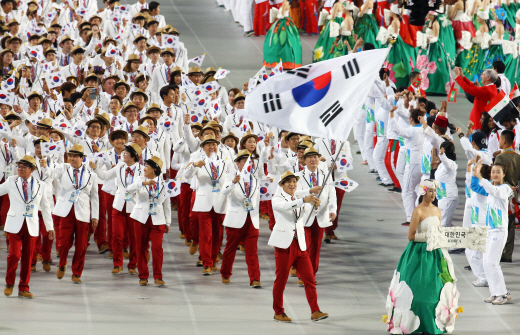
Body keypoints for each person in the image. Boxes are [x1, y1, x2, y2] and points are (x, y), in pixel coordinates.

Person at [385, 179, 460, 333]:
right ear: (423, 192)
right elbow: (411, 236)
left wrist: (439, 239)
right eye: (430, 191)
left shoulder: (437, 210)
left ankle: (433, 323)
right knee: (415, 290)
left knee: (436, 291)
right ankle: (411, 323)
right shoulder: (418, 211)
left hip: (436, 254)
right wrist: (429, 237)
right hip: (418, 254)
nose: (433, 194)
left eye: (434, 191)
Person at [269, 171, 328, 322]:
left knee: (309, 279)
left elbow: (304, 210)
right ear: (281, 185)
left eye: (294, 181)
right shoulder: (276, 199)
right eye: (288, 182)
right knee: (281, 281)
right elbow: (288, 206)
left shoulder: (297, 197)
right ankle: (278, 311)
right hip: (284, 246)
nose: (292, 184)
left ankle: (315, 311)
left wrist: (314, 205)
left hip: (300, 245)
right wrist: (305, 200)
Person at [40, 144, 99, 284]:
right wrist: (44, 166)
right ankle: (62, 263)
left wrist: (95, 215)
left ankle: (76, 273)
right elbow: (51, 174)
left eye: (75, 156)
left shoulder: (92, 175)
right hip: (66, 210)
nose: (72, 158)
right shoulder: (63, 168)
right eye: (70, 156)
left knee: (81, 245)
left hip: (83, 212)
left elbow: (94, 197)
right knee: (64, 242)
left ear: (82, 158)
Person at [1, 155, 54, 298]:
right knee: (14, 255)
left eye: (23, 167)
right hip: (14, 225)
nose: (20, 169)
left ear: (31, 169)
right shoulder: (11, 181)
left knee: (28, 257)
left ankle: (24, 287)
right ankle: (9, 282)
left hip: (31, 225)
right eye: (19, 166)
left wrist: (50, 227)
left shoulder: (41, 185)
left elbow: (45, 207)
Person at [89, 143, 144, 275]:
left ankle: (132, 264)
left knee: (134, 237)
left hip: (134, 207)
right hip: (118, 205)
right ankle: (117, 263)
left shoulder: (142, 170)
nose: (123, 155)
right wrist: (96, 168)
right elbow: (105, 176)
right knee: (116, 236)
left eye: (126, 153)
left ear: (134, 156)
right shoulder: (120, 166)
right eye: (123, 153)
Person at [184, 134, 230, 275]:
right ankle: (206, 264)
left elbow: (230, 180)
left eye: (214, 144)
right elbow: (186, 176)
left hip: (220, 202)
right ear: (203, 148)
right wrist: (193, 166)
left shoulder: (225, 162)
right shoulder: (198, 162)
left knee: (217, 235)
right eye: (208, 145)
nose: (212, 147)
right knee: (206, 236)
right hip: (204, 203)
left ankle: (214, 256)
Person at [220, 150, 262, 287]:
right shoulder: (230, 177)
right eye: (243, 161)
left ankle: (255, 278)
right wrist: (232, 182)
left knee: (252, 251)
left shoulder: (255, 179)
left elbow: (257, 199)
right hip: (235, 218)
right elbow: (225, 191)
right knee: (230, 248)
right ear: (237, 163)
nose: (247, 164)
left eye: (249, 161)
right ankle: (225, 273)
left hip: (252, 218)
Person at [127, 156, 171, 287]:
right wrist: (143, 184)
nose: (144, 168)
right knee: (141, 247)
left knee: (157, 248)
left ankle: (158, 276)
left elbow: (167, 203)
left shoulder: (164, 184)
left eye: (147, 166)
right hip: (140, 217)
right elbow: (129, 189)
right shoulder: (140, 179)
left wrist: (168, 222)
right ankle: (143, 276)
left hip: (157, 219)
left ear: (155, 169)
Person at [473, 162, 513, 305]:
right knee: (486, 263)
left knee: (492, 262)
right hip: (490, 231)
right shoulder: (492, 188)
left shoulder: (505, 188)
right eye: (493, 172)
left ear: (503, 174)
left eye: (498, 172)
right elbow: (486, 189)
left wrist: (480, 178)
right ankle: (495, 292)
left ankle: (502, 294)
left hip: (499, 231)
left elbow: (495, 192)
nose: (495, 174)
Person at [493, 129, 520, 263]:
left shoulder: (500, 158)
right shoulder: (517, 156)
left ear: (503, 141)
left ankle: (498, 251)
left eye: (499, 139)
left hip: (502, 193)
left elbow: (496, 177)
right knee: (510, 224)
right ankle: (507, 254)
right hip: (514, 195)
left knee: (499, 224)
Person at [263, 0, 302, 69]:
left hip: (282, 23)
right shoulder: (287, 13)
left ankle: (275, 61)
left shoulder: (282, 9)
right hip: (287, 23)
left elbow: (281, 15)